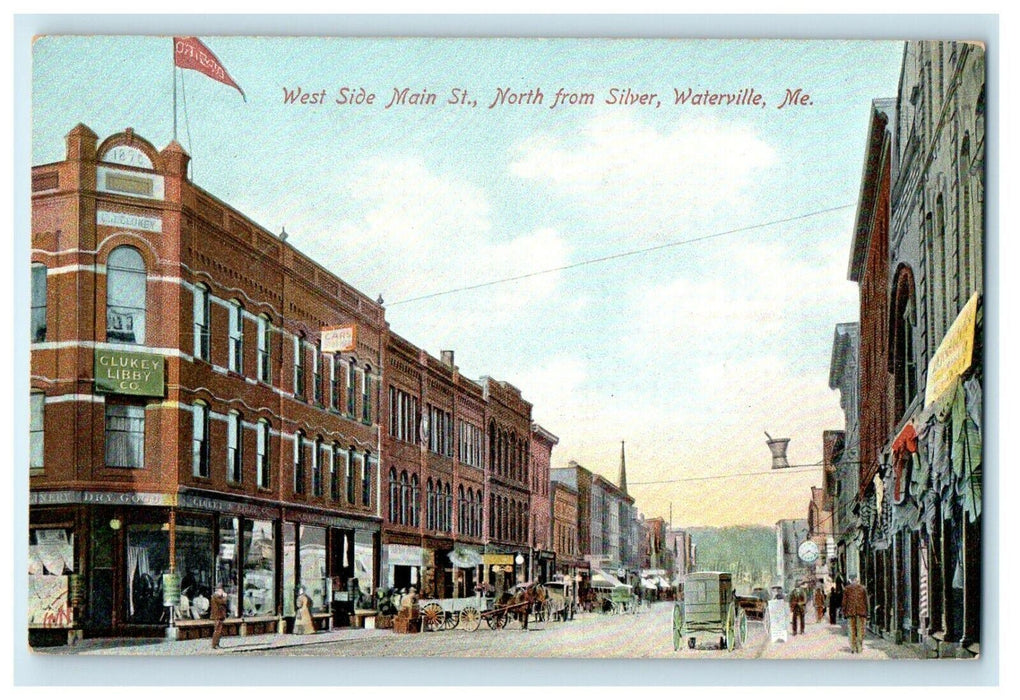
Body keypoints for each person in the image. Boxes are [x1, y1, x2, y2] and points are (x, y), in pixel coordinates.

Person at [842, 574, 869, 653]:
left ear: (851, 580)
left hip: (850, 612)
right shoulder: (863, 588)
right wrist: (868, 612)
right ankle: (859, 647)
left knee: (851, 630)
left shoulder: (847, 589)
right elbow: (866, 601)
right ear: (857, 580)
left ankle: (853, 647)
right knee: (860, 630)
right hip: (861, 612)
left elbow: (844, 602)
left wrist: (844, 612)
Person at [210, 583, 228, 649]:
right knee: (217, 630)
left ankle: (217, 644)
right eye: (222, 590)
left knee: (219, 630)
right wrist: (225, 596)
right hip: (218, 616)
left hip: (219, 615)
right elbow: (223, 602)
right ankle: (214, 644)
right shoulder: (216, 596)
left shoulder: (216, 596)